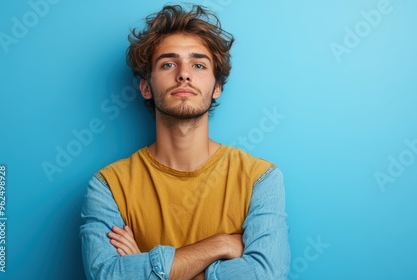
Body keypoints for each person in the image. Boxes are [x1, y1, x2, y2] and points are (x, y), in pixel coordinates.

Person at [79, 4, 290, 280]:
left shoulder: (260, 178)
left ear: (217, 87)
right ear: (146, 87)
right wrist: (221, 244)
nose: (184, 74)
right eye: (168, 64)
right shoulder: (108, 186)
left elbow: (267, 275)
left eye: (198, 64)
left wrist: (149, 268)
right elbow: (106, 275)